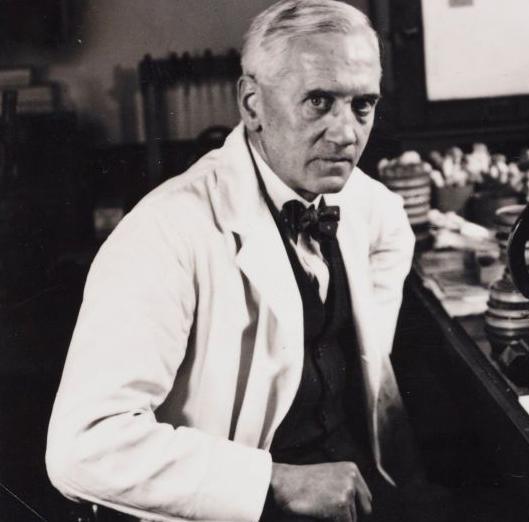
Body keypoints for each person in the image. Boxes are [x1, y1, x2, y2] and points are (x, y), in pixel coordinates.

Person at [45, 1, 417, 520]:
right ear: (251, 103)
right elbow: (83, 446)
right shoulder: (163, 233)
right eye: (318, 101)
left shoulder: (364, 204)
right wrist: (274, 482)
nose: (346, 133)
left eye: (363, 105)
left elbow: (391, 232)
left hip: (353, 487)